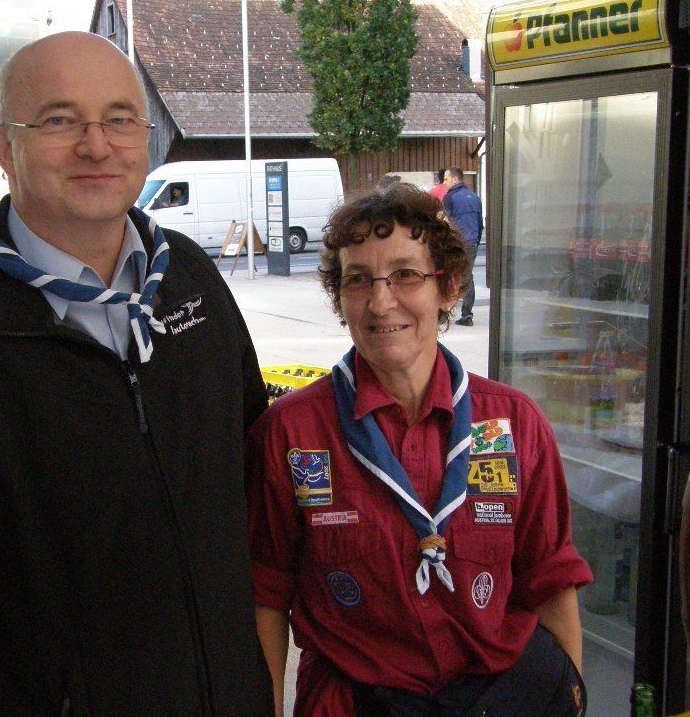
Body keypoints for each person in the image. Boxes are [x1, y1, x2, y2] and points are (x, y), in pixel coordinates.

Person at [0, 32, 272, 717]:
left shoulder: (191, 279)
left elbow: (253, 475)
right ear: (4, 147)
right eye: (59, 120)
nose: (96, 145)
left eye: (120, 119)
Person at [247, 184, 592, 717]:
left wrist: (569, 701)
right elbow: (266, 596)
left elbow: (550, 581)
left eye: (405, 274)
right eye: (357, 279)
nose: (380, 301)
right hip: (360, 702)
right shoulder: (290, 435)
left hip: (501, 696)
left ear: (448, 287)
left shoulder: (515, 423)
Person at [441, 167, 482, 326]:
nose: (444, 183)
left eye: (446, 179)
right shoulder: (475, 197)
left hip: (457, 243)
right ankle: (467, 315)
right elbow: (480, 223)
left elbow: (446, 222)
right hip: (471, 243)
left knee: (448, 276)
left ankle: (443, 313)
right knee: (467, 277)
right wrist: (475, 242)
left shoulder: (449, 197)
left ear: (455, 179)